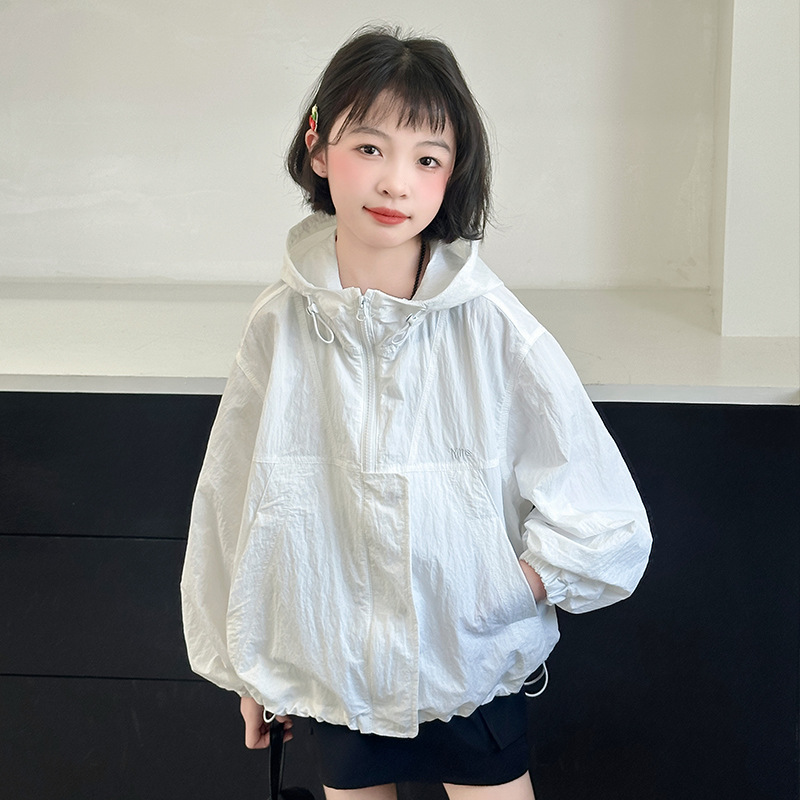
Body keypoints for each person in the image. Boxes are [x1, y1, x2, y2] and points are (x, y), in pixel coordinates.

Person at [181, 27, 652, 800]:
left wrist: (504, 588)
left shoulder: (492, 324)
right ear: (318, 146)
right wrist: (252, 670)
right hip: (336, 674)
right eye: (370, 148)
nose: (395, 182)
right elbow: (236, 504)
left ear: (452, 173)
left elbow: (604, 514)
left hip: (469, 665)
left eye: (427, 159)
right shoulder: (279, 324)